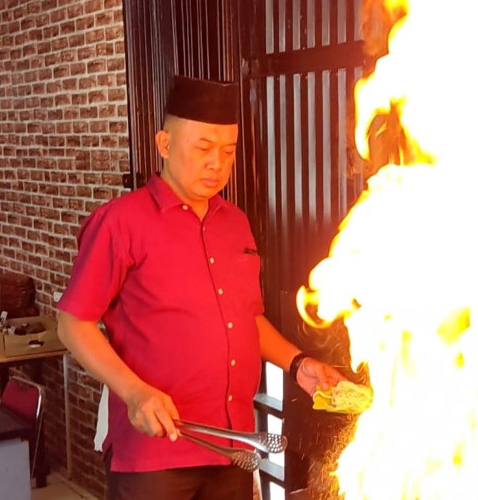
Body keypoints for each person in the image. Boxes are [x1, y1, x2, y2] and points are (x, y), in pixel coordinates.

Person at [57, 75, 344, 500]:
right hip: (155, 456)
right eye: (203, 148)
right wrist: (134, 392)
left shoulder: (236, 223)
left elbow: (246, 318)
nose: (217, 164)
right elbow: (72, 322)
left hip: (231, 449)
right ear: (165, 144)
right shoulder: (121, 222)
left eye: (228, 152)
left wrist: (297, 363)